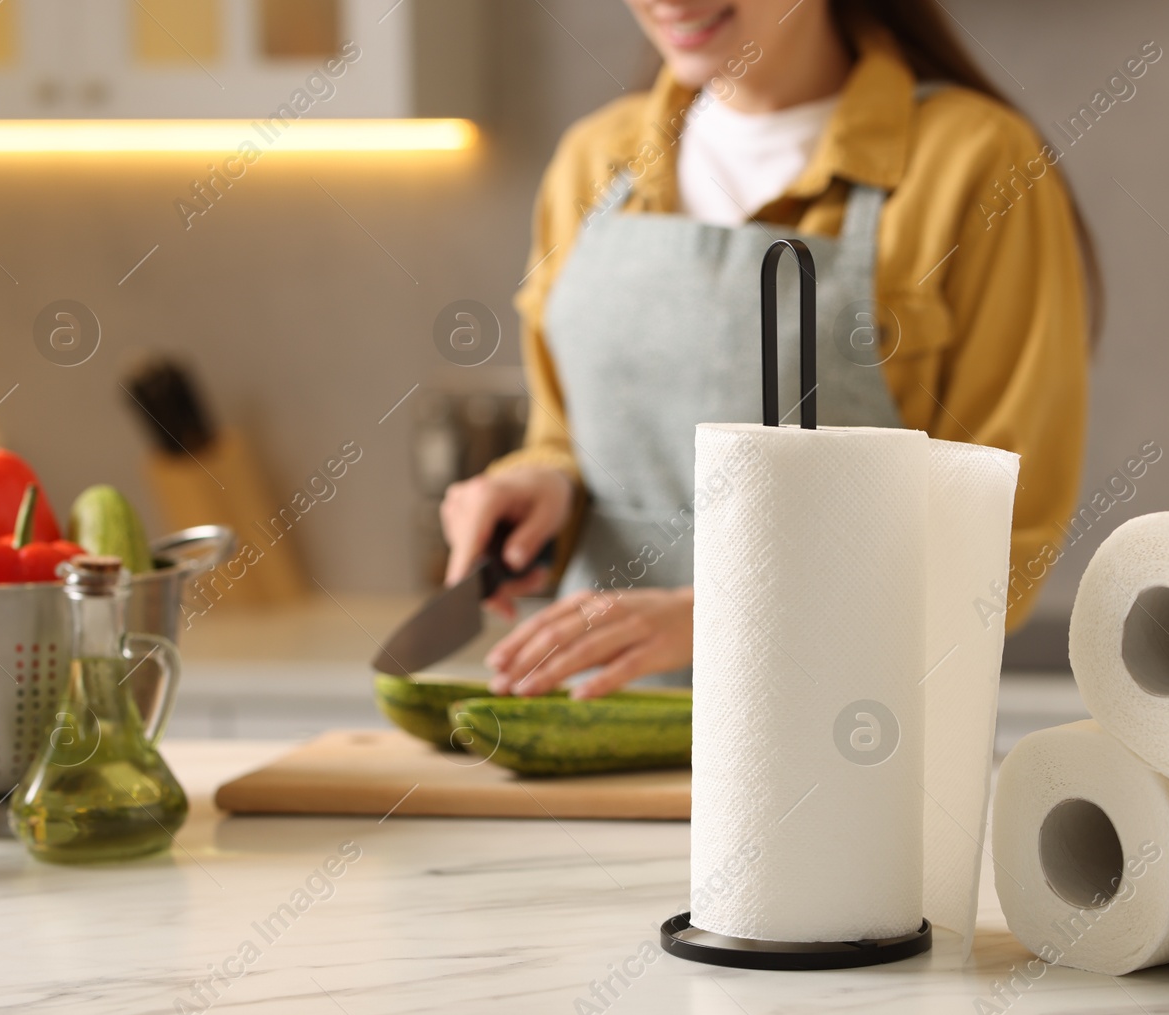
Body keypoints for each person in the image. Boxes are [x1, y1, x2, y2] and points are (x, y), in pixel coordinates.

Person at [440, 0, 1095, 699]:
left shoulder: (981, 163)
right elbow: (564, 435)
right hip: (593, 725)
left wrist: (724, 616)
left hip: (845, 735)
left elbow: (999, 539)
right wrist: (545, 484)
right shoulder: (593, 162)